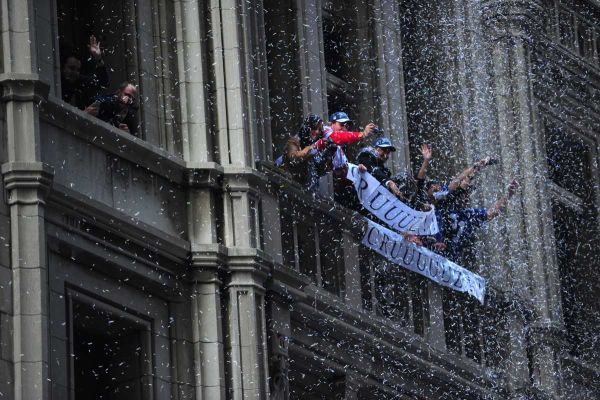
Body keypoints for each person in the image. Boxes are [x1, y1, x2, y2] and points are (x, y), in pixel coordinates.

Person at [280, 114, 333, 192]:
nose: (317, 131)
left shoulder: (317, 143)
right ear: (307, 127)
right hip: (290, 185)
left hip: (307, 189)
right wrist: (310, 149)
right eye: (314, 128)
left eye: (320, 129)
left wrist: (328, 154)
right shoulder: (295, 141)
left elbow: (321, 171)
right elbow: (293, 157)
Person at [61, 35, 109, 109]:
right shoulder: (57, 82)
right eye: (72, 68)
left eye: (78, 70)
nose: (75, 73)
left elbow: (103, 83)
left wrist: (98, 58)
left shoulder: (79, 80)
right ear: (63, 67)